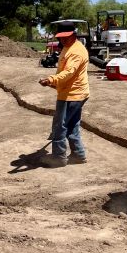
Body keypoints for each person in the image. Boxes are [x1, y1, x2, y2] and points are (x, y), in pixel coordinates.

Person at [38, 21, 90, 167]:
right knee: (72, 125)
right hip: (73, 92)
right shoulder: (68, 47)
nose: (63, 40)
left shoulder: (76, 51)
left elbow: (69, 72)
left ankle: (58, 157)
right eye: (61, 37)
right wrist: (54, 83)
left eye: (66, 37)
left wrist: (51, 79)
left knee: (59, 127)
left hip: (71, 95)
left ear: (74, 34)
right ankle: (78, 155)